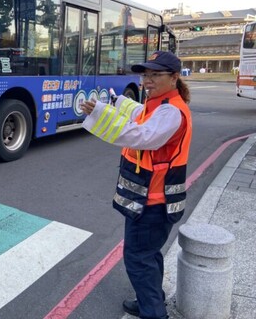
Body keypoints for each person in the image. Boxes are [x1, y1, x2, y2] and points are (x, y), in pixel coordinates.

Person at [80, 51, 192, 319]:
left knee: (138, 259)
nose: (147, 81)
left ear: (174, 77)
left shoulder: (171, 112)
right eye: (145, 75)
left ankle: (153, 312)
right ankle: (150, 300)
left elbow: (143, 137)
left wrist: (100, 114)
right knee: (149, 256)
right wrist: (114, 104)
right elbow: (137, 113)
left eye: (155, 75)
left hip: (154, 203)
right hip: (151, 201)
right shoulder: (158, 105)